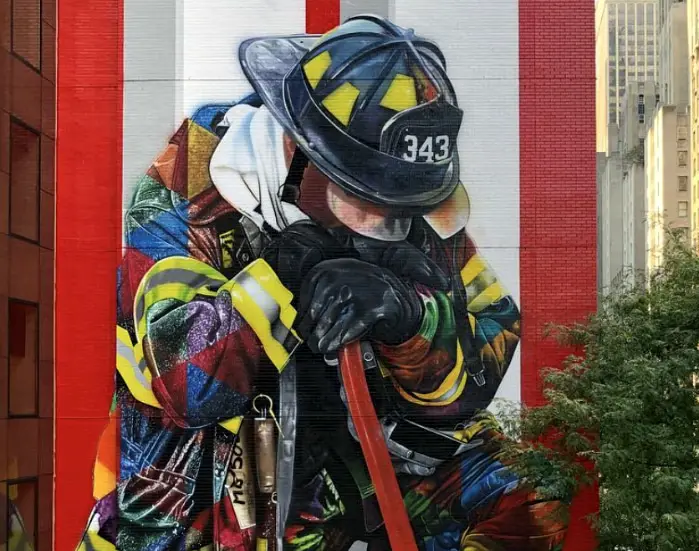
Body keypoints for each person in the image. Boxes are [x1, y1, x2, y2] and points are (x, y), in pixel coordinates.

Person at [78, 14, 568, 551]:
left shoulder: (405, 181)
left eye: (401, 210)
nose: (389, 230)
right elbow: (186, 385)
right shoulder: (193, 176)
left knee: (531, 506)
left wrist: (411, 318)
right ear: (298, 153)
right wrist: (279, 274)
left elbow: (486, 347)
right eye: (365, 203)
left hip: (359, 463)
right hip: (202, 482)